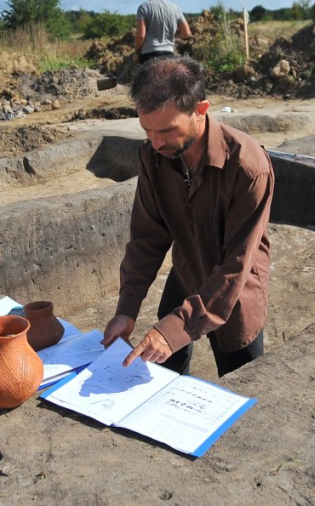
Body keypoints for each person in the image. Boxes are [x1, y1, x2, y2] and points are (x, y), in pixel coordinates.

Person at [101, 56, 275, 377]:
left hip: (235, 290)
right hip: (186, 270)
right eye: (146, 129)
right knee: (161, 369)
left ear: (200, 110)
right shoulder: (153, 157)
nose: (155, 142)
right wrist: (127, 309)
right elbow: (147, 238)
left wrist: (176, 328)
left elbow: (237, 264)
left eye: (166, 130)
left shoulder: (249, 168)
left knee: (240, 378)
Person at [134, 0, 192, 65]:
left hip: (148, 55)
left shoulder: (144, 7)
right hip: (168, 54)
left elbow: (141, 36)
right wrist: (169, 35)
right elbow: (186, 32)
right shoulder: (175, 7)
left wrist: (137, 52)